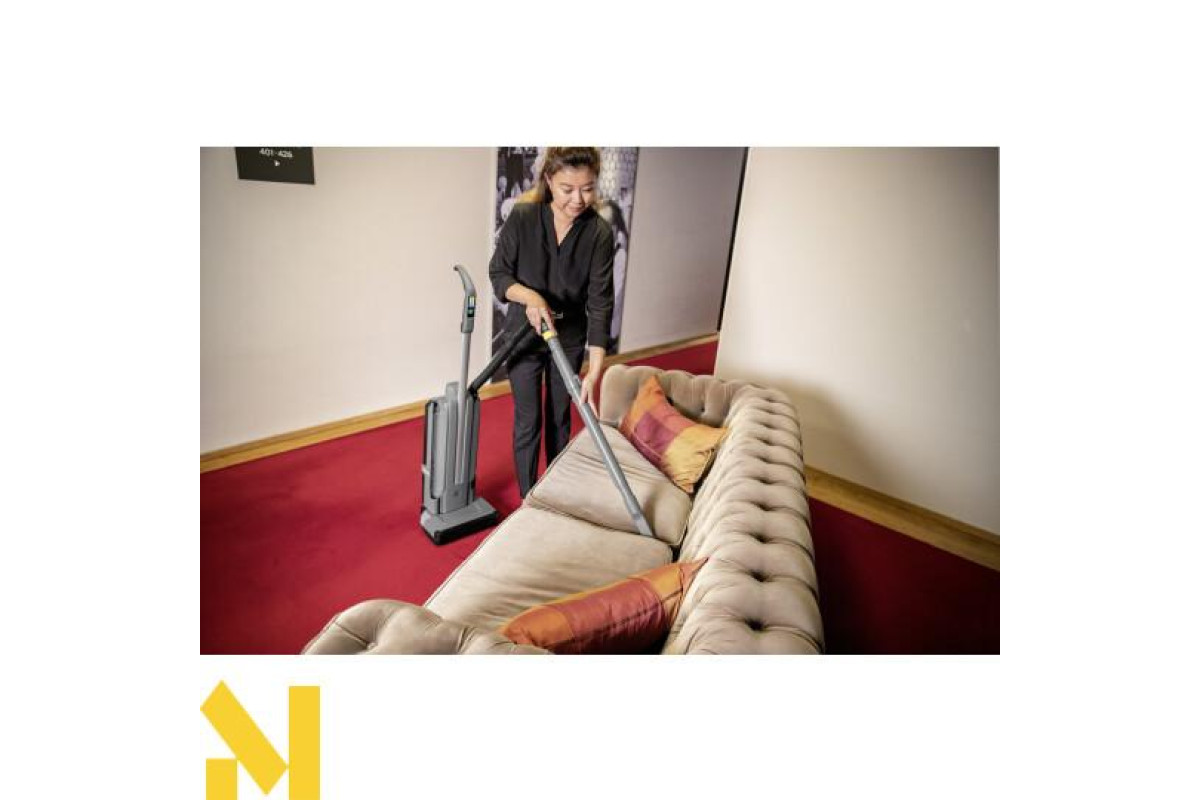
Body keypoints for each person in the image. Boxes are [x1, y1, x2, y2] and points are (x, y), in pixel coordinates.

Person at [489, 147, 615, 498]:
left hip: (568, 337)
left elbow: (600, 302)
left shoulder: (599, 234)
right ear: (548, 179)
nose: (578, 199)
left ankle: (556, 493)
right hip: (523, 336)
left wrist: (595, 369)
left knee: (559, 417)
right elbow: (499, 273)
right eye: (567, 189)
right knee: (528, 419)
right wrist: (530, 297)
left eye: (587, 188)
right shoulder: (523, 217)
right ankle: (529, 499)